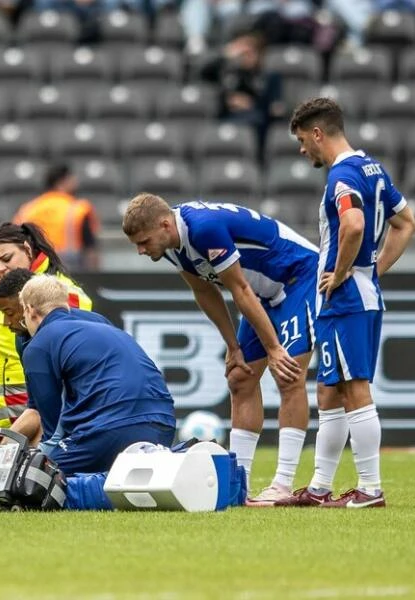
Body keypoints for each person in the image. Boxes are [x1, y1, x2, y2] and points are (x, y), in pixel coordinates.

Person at [122, 193, 315, 505]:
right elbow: (204, 289)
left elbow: (238, 288)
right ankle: (240, 485)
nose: (141, 251)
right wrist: (233, 346)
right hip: (260, 293)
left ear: (164, 224)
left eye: (144, 242)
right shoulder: (170, 246)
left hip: (298, 278)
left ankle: (283, 484)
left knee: (288, 374)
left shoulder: (203, 229)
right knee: (240, 378)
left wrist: (274, 348)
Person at [277, 97, 415, 508]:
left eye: (304, 140)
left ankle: (370, 489)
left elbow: (353, 225)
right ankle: (320, 487)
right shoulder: (371, 167)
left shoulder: (341, 176)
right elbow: (406, 222)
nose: (303, 149)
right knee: (329, 390)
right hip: (361, 291)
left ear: (318, 133)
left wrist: (341, 274)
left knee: (354, 388)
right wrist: (372, 270)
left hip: (346, 298)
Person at [20, 275, 177, 475]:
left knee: (35, 477)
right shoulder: (101, 323)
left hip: (110, 431)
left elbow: (49, 427)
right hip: (164, 425)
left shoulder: (39, 344)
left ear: (29, 309)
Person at [0, 222, 92, 431]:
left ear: (27, 249)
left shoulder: (61, 291)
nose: (0, 269)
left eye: (6, 259)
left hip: (39, 409)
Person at [0, 268, 111, 449]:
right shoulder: (23, 339)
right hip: (79, 420)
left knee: (42, 463)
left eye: (10, 313)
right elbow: (36, 410)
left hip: (101, 419)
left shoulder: (48, 340)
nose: (6, 322)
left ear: (26, 306)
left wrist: (48, 452)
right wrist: (1, 450)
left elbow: (52, 425)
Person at [13, 163, 100, 271]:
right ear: (62, 182)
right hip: (69, 272)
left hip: (32, 272)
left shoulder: (26, 209)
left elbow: (14, 245)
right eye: (72, 179)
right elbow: (90, 250)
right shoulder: (78, 209)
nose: (76, 182)